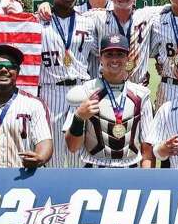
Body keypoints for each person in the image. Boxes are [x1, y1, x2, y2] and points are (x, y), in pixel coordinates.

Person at [64, 35, 155, 168]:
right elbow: (72, 147)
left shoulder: (141, 95)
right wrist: (78, 118)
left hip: (130, 169)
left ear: (127, 58)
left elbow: (147, 149)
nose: (114, 59)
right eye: (109, 54)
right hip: (94, 169)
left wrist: (146, 182)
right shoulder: (85, 92)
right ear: (100, 58)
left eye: (120, 54)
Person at [38, 0, 97, 168]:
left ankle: (77, 199)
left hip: (80, 91)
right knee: (51, 155)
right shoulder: (36, 21)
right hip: (49, 91)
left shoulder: (88, 22)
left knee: (78, 158)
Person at [84, 0, 156, 86]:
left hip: (138, 87)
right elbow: (68, 14)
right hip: (107, 87)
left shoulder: (146, 15)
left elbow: (176, 6)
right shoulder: (97, 17)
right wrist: (46, 6)